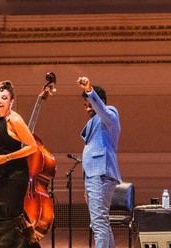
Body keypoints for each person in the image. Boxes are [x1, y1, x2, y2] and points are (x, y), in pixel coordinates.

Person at [0, 80, 38, 248]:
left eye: (4, 98)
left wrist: (7, 158)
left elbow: (32, 147)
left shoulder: (15, 120)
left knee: (10, 215)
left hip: (15, 174)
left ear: (11, 101)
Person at [77, 77, 121, 248]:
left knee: (99, 224)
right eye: (85, 104)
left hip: (100, 174)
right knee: (102, 222)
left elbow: (101, 109)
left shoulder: (109, 114)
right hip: (94, 176)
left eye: (89, 103)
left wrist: (89, 91)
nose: (87, 107)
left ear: (99, 102)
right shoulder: (93, 122)